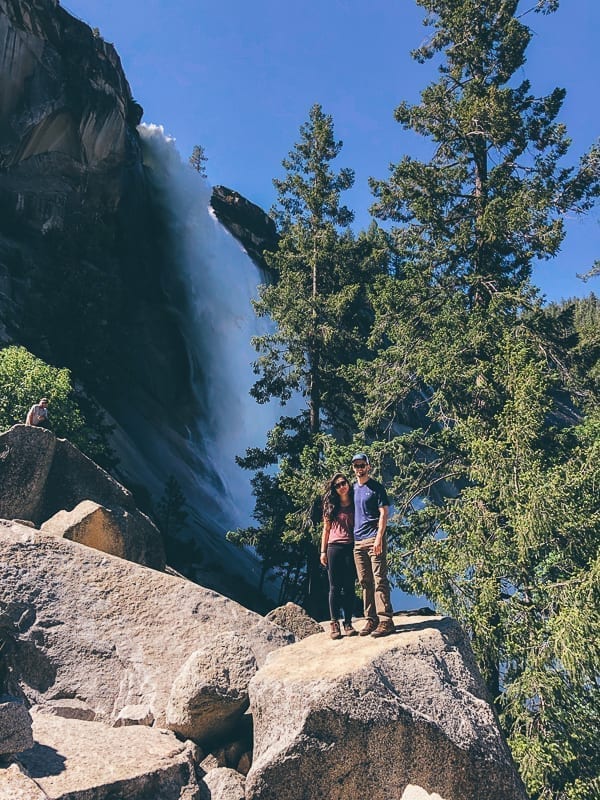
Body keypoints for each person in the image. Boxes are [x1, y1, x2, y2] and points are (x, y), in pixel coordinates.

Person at [351, 452, 395, 637]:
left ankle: (385, 620)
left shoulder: (376, 488)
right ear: (353, 468)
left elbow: (384, 514)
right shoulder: (352, 489)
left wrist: (379, 538)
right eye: (356, 466)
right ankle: (371, 619)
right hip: (358, 541)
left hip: (373, 539)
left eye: (362, 465)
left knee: (379, 580)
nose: (359, 469)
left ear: (368, 466)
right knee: (365, 581)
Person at [320, 472, 359, 640]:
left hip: (350, 547)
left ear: (348, 484)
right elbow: (326, 529)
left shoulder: (356, 502)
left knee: (349, 586)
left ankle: (348, 622)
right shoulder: (331, 506)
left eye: (343, 483)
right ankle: (334, 623)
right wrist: (322, 551)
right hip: (334, 548)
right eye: (337, 485)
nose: (341, 487)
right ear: (334, 489)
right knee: (335, 587)